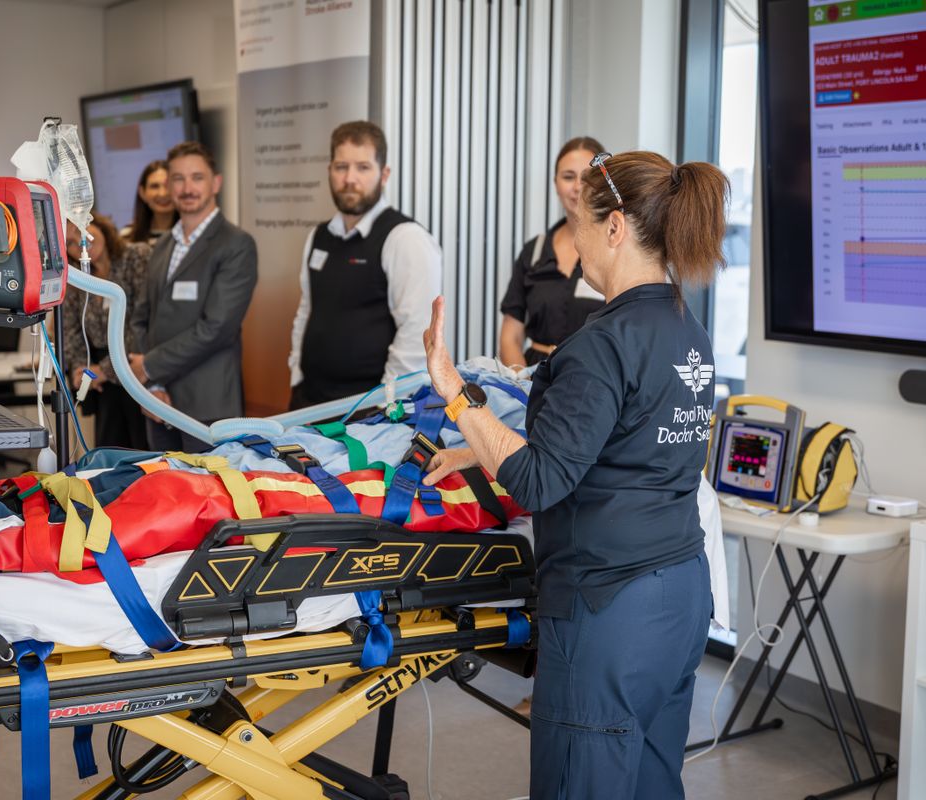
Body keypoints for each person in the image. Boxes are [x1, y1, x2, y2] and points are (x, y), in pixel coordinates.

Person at [419, 151, 728, 799]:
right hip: (680, 597)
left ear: (614, 228)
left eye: (581, 224)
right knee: (649, 781)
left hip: (608, 612)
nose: (574, 240)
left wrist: (455, 391)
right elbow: (621, 444)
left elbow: (537, 481)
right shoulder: (688, 330)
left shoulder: (598, 345)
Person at [287, 121, 442, 409]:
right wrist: (297, 373)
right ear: (330, 171)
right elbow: (306, 310)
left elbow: (416, 332)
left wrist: (384, 404)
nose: (350, 178)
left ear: (384, 175)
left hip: (367, 412)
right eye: (341, 167)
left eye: (363, 167)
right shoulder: (318, 236)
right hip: (307, 403)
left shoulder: (405, 238)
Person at [129, 141, 258, 452]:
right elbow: (141, 317)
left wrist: (149, 368)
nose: (187, 188)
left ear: (216, 182)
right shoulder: (162, 247)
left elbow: (216, 328)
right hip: (158, 404)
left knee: (208, 498)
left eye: (197, 178)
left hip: (208, 409)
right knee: (163, 494)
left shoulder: (236, 245)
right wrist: (152, 386)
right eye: (178, 179)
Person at [500, 137, 608, 368]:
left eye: (588, 177)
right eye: (568, 177)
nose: (578, 186)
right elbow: (511, 336)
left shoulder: (615, 251)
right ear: (555, 183)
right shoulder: (535, 251)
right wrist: (522, 385)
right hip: (533, 378)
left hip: (592, 378)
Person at [61, 212, 151, 450]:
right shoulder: (78, 278)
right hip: (102, 380)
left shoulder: (136, 257)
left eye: (83, 230)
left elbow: (142, 323)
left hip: (137, 370)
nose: (80, 242)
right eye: (70, 242)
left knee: (143, 452)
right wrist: (83, 369)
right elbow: (70, 328)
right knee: (110, 450)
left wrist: (106, 370)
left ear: (99, 225)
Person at [120, 160, 177, 246]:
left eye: (168, 185)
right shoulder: (126, 236)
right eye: (154, 186)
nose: (163, 193)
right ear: (142, 193)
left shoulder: (193, 233)